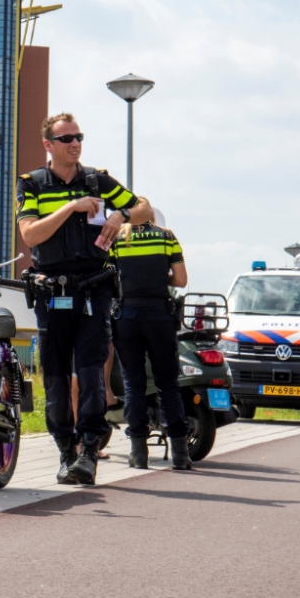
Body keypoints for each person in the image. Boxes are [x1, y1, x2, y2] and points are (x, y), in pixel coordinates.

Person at [17, 112, 149, 486]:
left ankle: (89, 452)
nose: (75, 143)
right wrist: (70, 208)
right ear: (48, 145)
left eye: (78, 137)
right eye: (66, 139)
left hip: (94, 291)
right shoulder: (31, 184)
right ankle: (65, 452)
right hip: (52, 292)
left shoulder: (97, 179)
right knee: (57, 379)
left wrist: (121, 214)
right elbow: (30, 235)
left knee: (91, 374)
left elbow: (145, 209)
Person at [110, 198, 192, 469]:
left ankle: (138, 453)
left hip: (127, 315)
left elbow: (110, 277)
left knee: (133, 385)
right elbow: (180, 280)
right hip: (159, 314)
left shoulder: (118, 240)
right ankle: (180, 454)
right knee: (168, 384)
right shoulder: (167, 237)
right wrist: (159, 277)